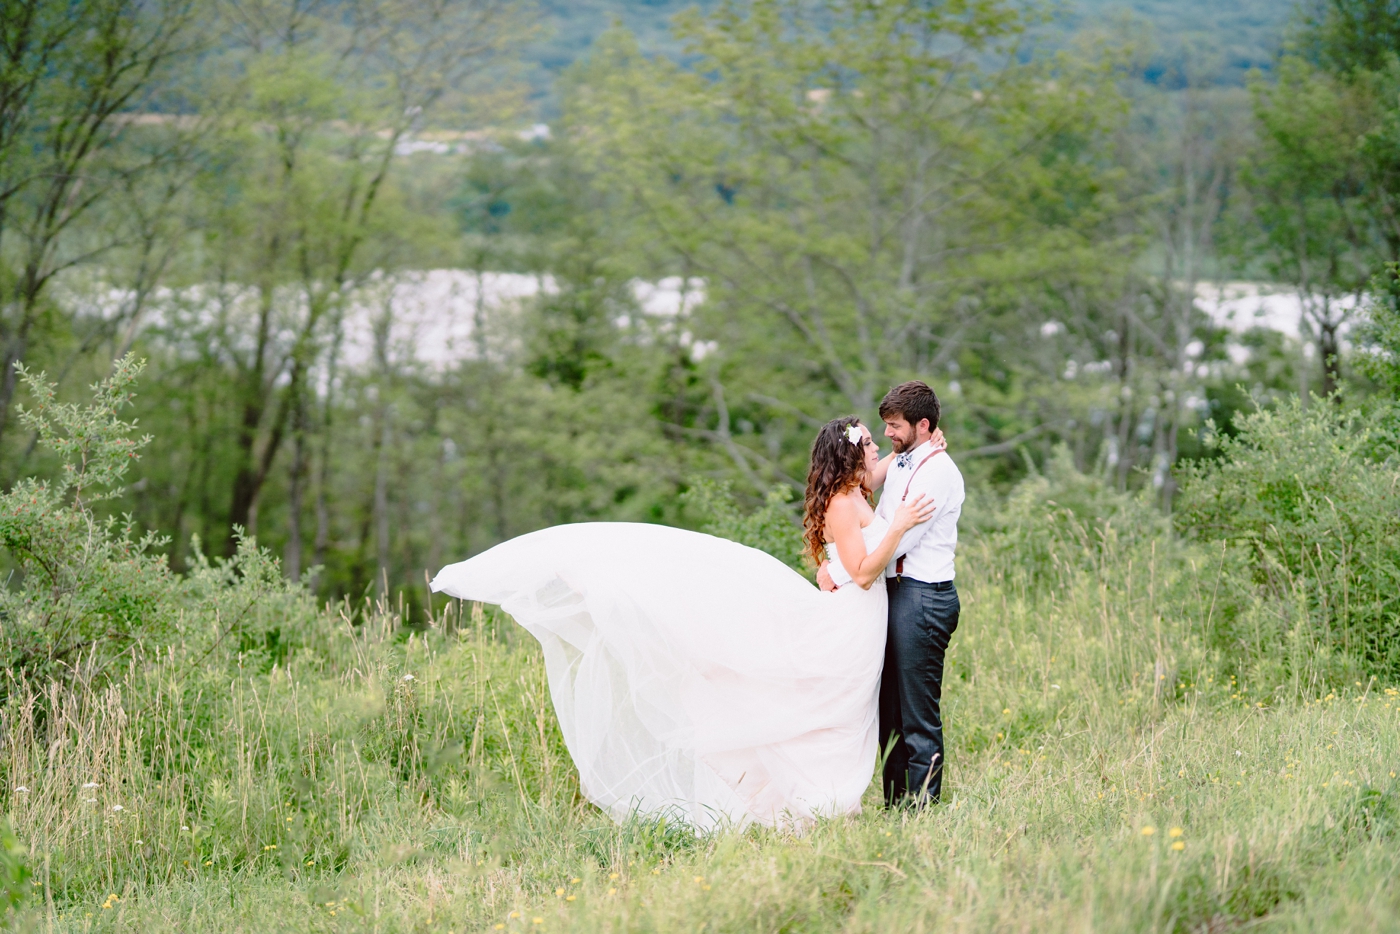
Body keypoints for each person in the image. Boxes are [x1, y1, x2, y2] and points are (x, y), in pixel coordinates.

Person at [429, 417, 934, 829]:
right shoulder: (847, 504)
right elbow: (866, 573)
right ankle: (813, 801)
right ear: (850, 456)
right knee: (819, 709)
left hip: (856, 621)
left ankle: (819, 800)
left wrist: (923, 449)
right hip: (850, 622)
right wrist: (902, 525)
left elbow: (874, 492)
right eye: (869, 443)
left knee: (834, 712)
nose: (877, 449)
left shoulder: (852, 492)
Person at [820, 380, 964, 806]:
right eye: (881, 427)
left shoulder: (936, 472)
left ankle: (923, 808)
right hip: (896, 594)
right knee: (892, 712)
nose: (887, 435)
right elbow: (876, 513)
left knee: (917, 712)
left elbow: (894, 543)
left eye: (895, 426)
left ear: (922, 425)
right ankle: (896, 804)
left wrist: (838, 571)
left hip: (923, 596)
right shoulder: (905, 459)